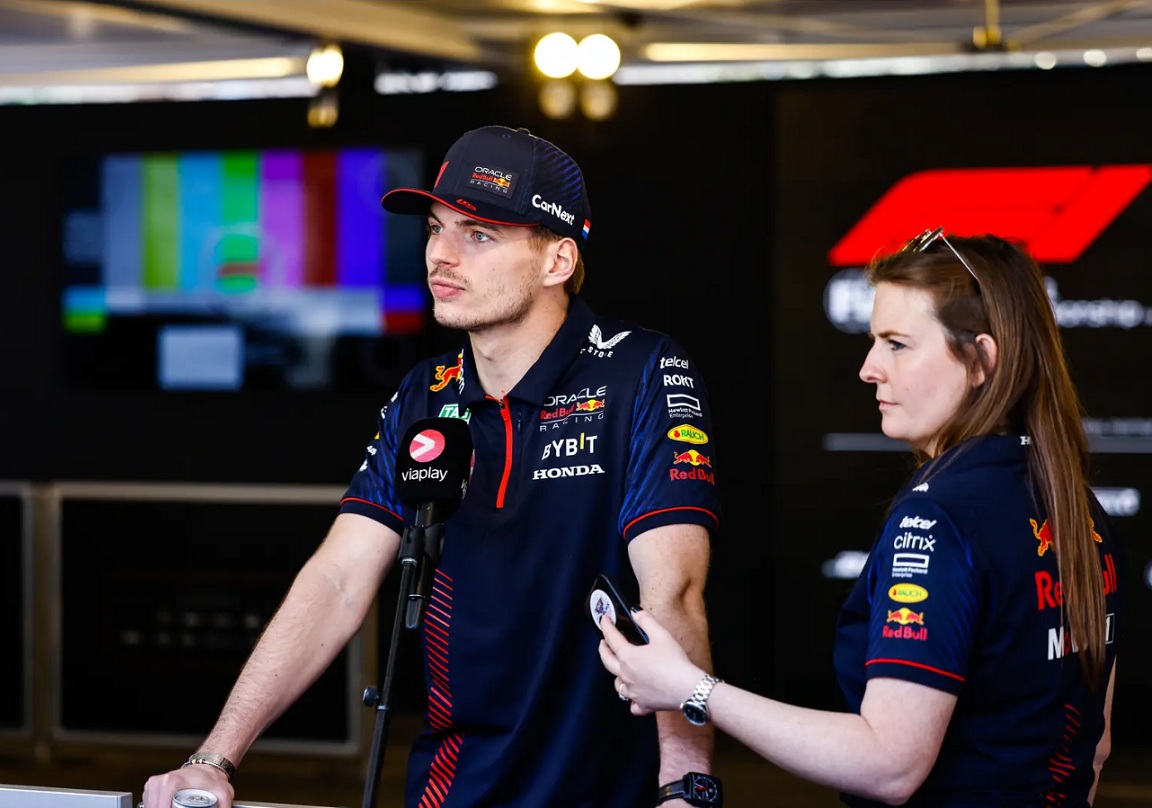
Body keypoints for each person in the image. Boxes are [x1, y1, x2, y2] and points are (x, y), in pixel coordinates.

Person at [142, 125, 723, 808]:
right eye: (436, 229)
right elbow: (336, 579)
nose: (441, 256)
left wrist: (684, 787)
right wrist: (215, 758)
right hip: (452, 789)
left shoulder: (642, 370)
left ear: (558, 260)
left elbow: (674, 594)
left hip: (606, 790)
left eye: (479, 235)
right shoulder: (426, 392)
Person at [598, 229, 1123, 806]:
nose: (869, 368)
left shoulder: (937, 519)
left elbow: (889, 766)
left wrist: (688, 687)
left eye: (897, 344)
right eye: (874, 341)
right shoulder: (1078, 506)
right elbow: (1091, 752)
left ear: (981, 361)